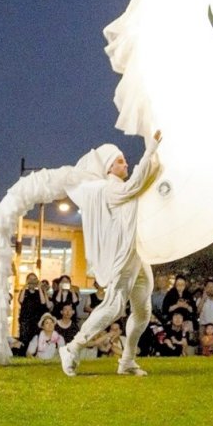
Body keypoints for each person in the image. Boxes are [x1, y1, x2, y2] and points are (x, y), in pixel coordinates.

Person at [59, 130, 162, 378]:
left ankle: (127, 360)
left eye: (125, 160)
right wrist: (150, 150)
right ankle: (73, 347)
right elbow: (137, 183)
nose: (125, 163)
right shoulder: (109, 189)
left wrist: (156, 155)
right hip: (124, 257)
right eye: (120, 161)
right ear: (108, 167)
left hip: (137, 255)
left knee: (143, 310)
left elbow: (142, 183)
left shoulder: (122, 187)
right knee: (114, 306)